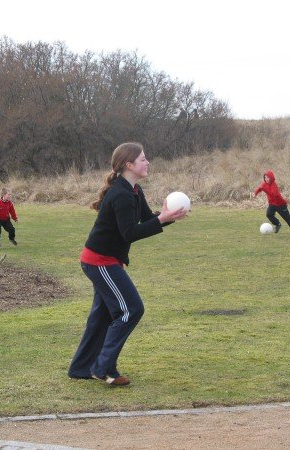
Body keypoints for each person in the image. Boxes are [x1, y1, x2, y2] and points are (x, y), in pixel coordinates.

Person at [68, 142, 188, 387]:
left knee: (102, 316)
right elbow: (130, 233)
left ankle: (81, 368)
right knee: (130, 309)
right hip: (99, 262)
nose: (147, 162)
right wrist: (162, 219)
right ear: (129, 165)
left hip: (105, 261)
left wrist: (168, 217)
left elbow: (147, 219)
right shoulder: (121, 195)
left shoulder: (133, 190)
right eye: (143, 159)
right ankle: (102, 368)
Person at [253, 170, 290, 235]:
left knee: (288, 219)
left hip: (280, 205)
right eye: (265, 177)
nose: (266, 179)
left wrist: (285, 202)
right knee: (269, 214)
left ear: (271, 178)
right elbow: (259, 188)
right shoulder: (264, 184)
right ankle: (277, 224)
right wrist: (255, 193)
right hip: (272, 204)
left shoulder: (274, 185)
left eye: (268, 177)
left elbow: (276, 196)